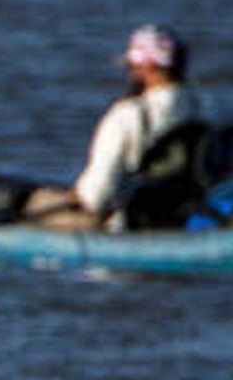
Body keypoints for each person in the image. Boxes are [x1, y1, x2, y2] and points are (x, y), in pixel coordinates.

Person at [21, 26, 199, 230]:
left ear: (146, 66)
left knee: (32, 201)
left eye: (132, 66)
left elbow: (94, 197)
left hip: (128, 219)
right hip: (186, 210)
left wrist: (69, 197)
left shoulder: (126, 115)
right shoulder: (210, 107)